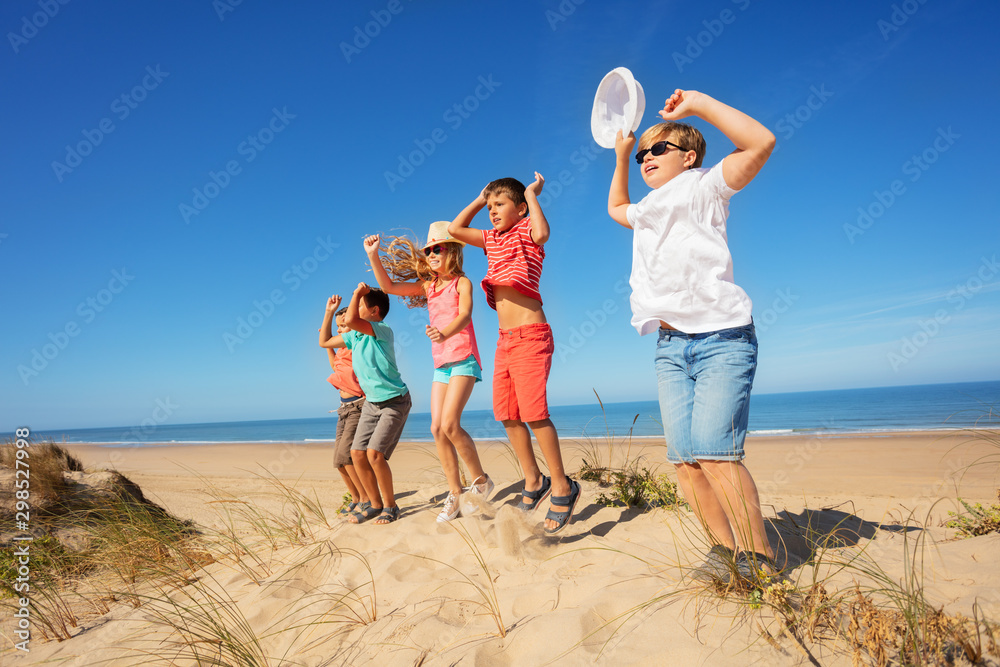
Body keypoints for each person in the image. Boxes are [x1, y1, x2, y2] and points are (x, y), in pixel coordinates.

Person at [607, 88, 778, 582]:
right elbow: (618, 205)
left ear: (688, 156)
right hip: (670, 347)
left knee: (715, 452)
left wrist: (698, 103)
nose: (647, 158)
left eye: (657, 150)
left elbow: (760, 142)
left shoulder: (705, 185)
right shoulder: (646, 210)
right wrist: (622, 156)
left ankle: (759, 558)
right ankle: (727, 552)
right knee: (686, 462)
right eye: (644, 154)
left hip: (722, 338)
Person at [449, 173, 581, 534]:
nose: (492, 212)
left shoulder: (526, 231)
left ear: (520, 209)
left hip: (531, 335)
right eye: (489, 207)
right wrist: (479, 200)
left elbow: (542, 233)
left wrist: (531, 195)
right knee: (507, 414)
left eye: (499, 205)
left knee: (535, 414)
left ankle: (562, 486)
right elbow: (456, 230)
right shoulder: (491, 239)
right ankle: (533, 481)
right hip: (505, 340)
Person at [364, 222, 494, 522]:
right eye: (429, 250)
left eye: (438, 248)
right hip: (441, 365)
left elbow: (465, 315)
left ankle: (481, 481)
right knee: (436, 428)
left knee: (450, 424)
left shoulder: (462, 283)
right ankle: (455, 493)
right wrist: (373, 255)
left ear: (452, 252)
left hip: (463, 359)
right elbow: (389, 288)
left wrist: (444, 333)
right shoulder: (429, 286)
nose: (433, 253)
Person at [319, 284, 411, 525]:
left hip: (394, 401)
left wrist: (357, 293)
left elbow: (350, 319)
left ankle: (391, 506)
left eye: (360, 306)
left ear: (374, 311)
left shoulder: (381, 330)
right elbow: (325, 341)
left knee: (374, 454)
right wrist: (329, 312)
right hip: (372, 403)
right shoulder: (354, 336)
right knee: (356, 453)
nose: (354, 310)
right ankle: (374, 504)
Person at [319, 305, 370, 517]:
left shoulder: (357, 345)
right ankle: (356, 497)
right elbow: (335, 367)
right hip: (344, 408)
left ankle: (366, 498)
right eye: (338, 327)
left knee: (347, 455)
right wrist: (331, 347)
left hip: (358, 405)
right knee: (339, 461)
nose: (340, 330)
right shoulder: (342, 350)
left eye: (343, 326)